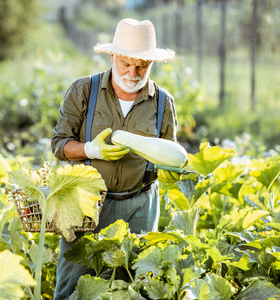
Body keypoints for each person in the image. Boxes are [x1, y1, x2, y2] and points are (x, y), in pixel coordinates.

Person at [51, 17, 182, 299]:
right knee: (74, 285)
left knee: (136, 286)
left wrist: (169, 171)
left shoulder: (162, 101)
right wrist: (91, 150)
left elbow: (169, 151)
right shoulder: (83, 91)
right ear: (112, 56)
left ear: (152, 63)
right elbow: (59, 144)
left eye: (142, 65)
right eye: (126, 63)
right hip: (87, 205)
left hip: (141, 205)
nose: (133, 72)